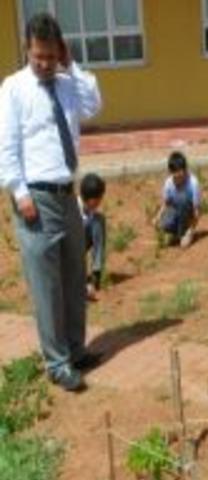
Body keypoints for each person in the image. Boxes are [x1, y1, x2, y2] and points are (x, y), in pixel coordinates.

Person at [0, 13, 102, 391]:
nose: (43, 64)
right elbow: (6, 147)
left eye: (50, 56)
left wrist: (72, 64)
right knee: (47, 286)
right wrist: (20, 193)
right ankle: (57, 362)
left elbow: (94, 103)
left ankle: (75, 349)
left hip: (66, 194)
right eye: (37, 56)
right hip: (36, 199)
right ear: (27, 50)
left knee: (74, 278)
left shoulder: (67, 84)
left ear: (59, 51)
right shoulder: (13, 89)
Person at [153, 151, 200, 248]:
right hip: (176, 210)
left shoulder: (193, 183)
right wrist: (157, 217)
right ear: (170, 173)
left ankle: (183, 233)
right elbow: (166, 203)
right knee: (162, 224)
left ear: (185, 170)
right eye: (175, 176)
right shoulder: (169, 183)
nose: (178, 180)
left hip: (188, 213)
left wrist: (190, 232)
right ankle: (177, 233)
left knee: (182, 198)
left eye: (181, 176)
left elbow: (197, 212)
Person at [79, 173, 107, 302]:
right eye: (100, 198)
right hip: (70, 249)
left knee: (98, 220)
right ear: (92, 200)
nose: (101, 201)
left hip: (82, 242)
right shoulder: (74, 210)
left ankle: (96, 272)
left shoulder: (91, 212)